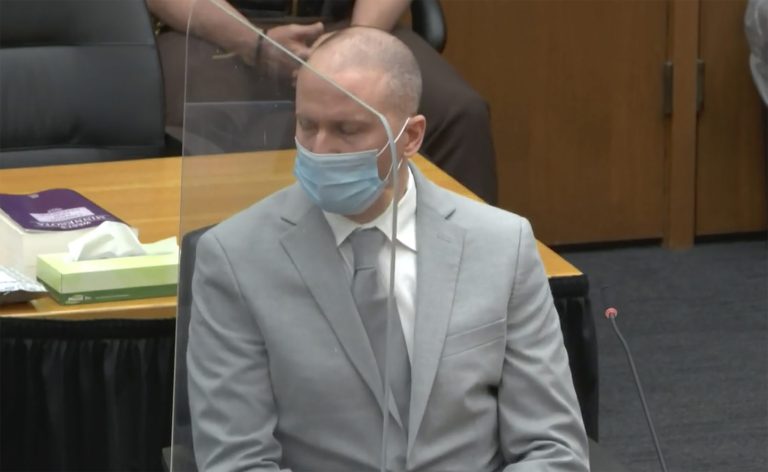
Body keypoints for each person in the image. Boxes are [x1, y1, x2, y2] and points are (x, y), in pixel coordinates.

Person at [187, 26, 589, 471]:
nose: (320, 149)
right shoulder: (235, 257)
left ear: (411, 137)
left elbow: (553, 449)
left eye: (347, 130)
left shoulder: (501, 246)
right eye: (307, 125)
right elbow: (237, 462)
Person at [146, 0, 499, 203]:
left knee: (458, 114)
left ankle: (460, 271)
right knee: (200, 122)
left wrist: (354, 40)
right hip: (214, 29)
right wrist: (256, 44)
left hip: (354, 23)